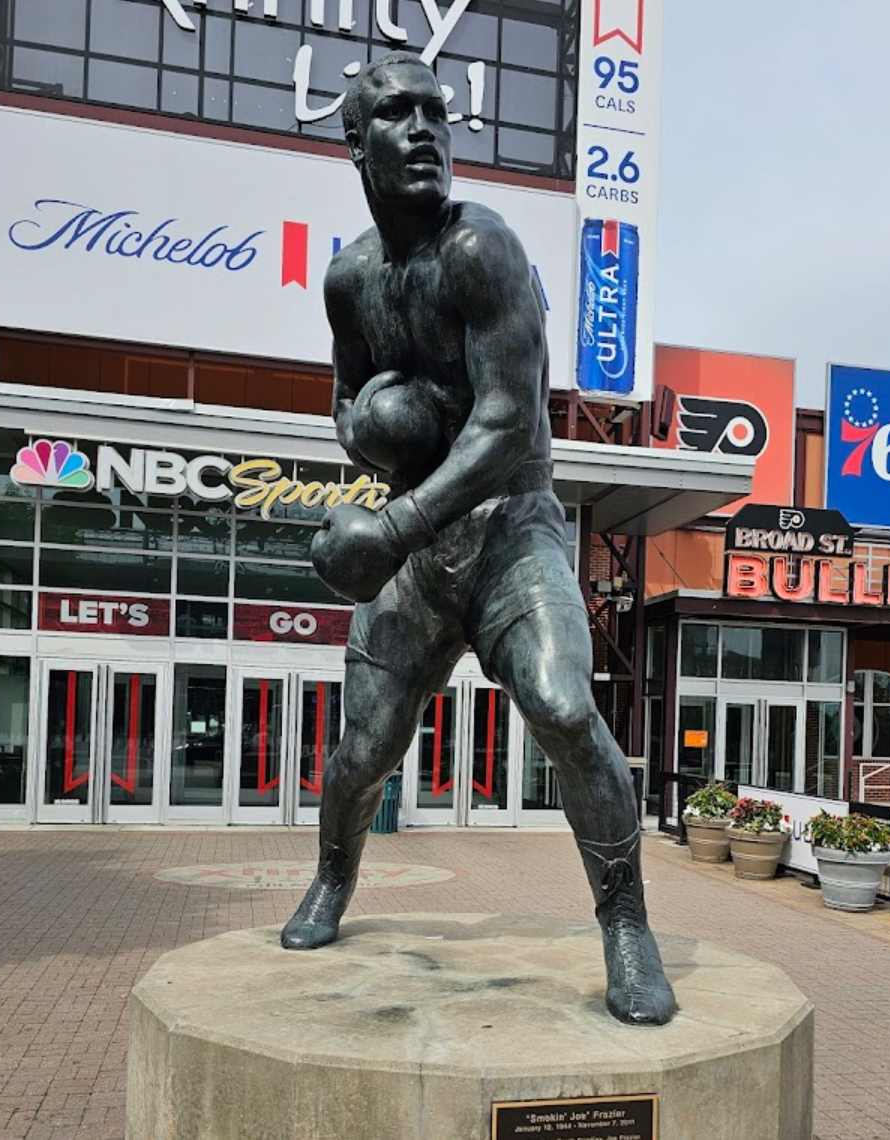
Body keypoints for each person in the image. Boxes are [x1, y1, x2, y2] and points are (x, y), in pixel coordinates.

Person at [281, 51, 676, 1026]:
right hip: (420, 547)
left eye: (435, 113)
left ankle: (627, 922)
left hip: (509, 529)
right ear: (356, 142)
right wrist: (375, 425)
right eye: (397, 115)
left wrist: (390, 527)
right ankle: (334, 878)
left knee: (561, 705)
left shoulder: (481, 249)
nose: (423, 130)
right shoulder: (349, 280)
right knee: (362, 751)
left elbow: (505, 425)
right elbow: (343, 397)